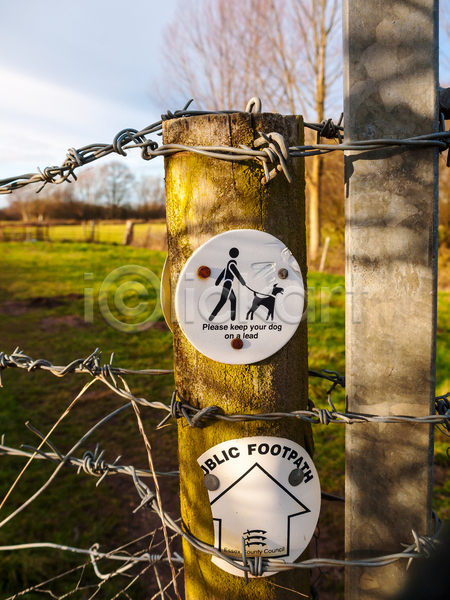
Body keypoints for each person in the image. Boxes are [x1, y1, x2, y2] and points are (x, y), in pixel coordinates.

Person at [209, 247, 246, 322]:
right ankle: (211, 317)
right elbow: (236, 273)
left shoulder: (228, 264)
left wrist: (217, 282)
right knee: (223, 301)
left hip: (228, 283)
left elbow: (223, 273)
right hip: (228, 283)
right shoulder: (232, 264)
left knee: (233, 299)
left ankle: (233, 318)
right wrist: (243, 282)